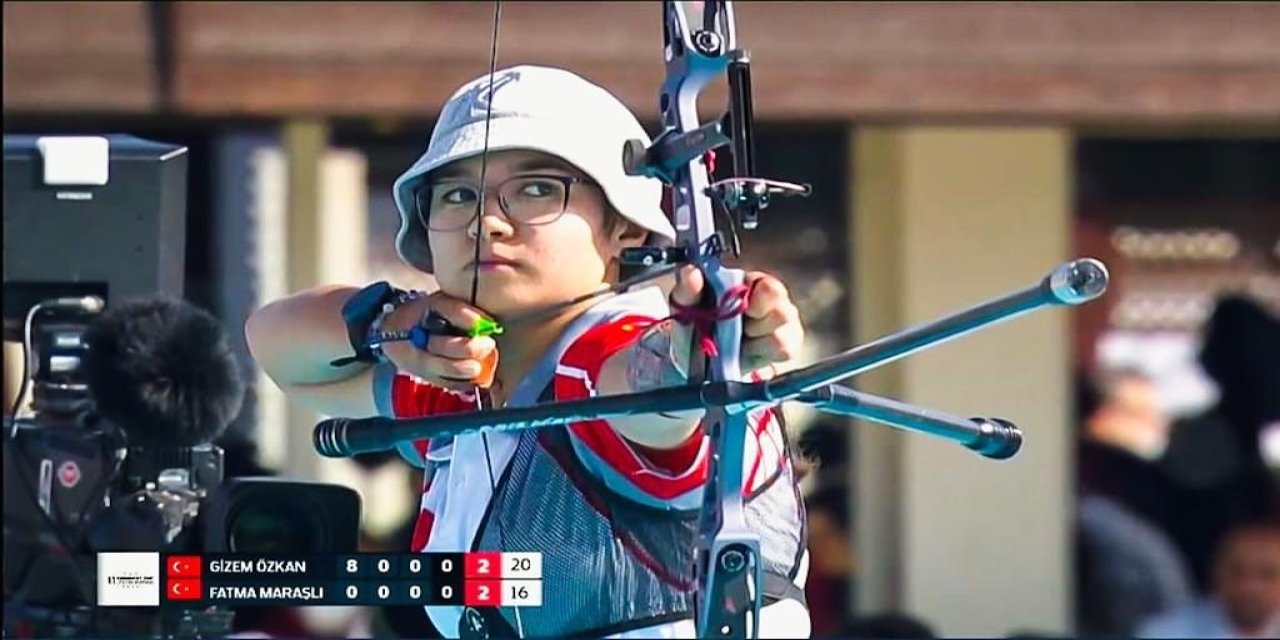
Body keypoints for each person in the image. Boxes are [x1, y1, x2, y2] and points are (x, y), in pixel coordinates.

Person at [246, 65, 811, 638]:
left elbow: (654, 397)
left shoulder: (602, 355)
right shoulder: (465, 381)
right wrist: (391, 325)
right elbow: (278, 349)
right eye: (458, 195)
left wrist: (705, 345)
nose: (486, 221)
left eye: (537, 189)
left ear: (627, 229)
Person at [1136, 520, 1280, 638]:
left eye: (1267, 575)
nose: (1249, 587)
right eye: (1237, 572)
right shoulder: (1165, 633)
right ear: (1216, 575)